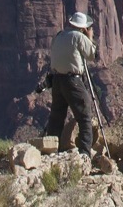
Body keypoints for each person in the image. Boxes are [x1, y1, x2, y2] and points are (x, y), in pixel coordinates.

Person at [44, 11, 98, 155]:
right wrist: (90, 38)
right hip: (72, 81)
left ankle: (51, 150)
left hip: (57, 80)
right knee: (84, 116)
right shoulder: (79, 37)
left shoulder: (59, 35)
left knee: (56, 117)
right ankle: (85, 153)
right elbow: (93, 55)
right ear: (83, 28)